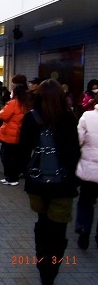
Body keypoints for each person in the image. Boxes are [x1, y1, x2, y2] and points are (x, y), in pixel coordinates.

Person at [19, 79, 80, 285]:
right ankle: (52, 268)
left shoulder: (30, 118)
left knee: (42, 222)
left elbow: (23, 150)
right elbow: (74, 153)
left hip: (37, 183)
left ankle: (42, 262)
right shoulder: (69, 118)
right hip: (63, 184)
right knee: (58, 229)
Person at [0, 83, 31, 186]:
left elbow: (4, 116)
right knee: (16, 158)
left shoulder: (13, 103)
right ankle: (13, 177)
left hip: (10, 135)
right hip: (20, 135)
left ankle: (10, 178)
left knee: (6, 157)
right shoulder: (27, 104)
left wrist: (1, 111)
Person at [74, 93, 98, 250]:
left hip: (90, 169)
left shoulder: (88, 116)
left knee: (86, 201)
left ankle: (84, 229)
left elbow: (78, 141)